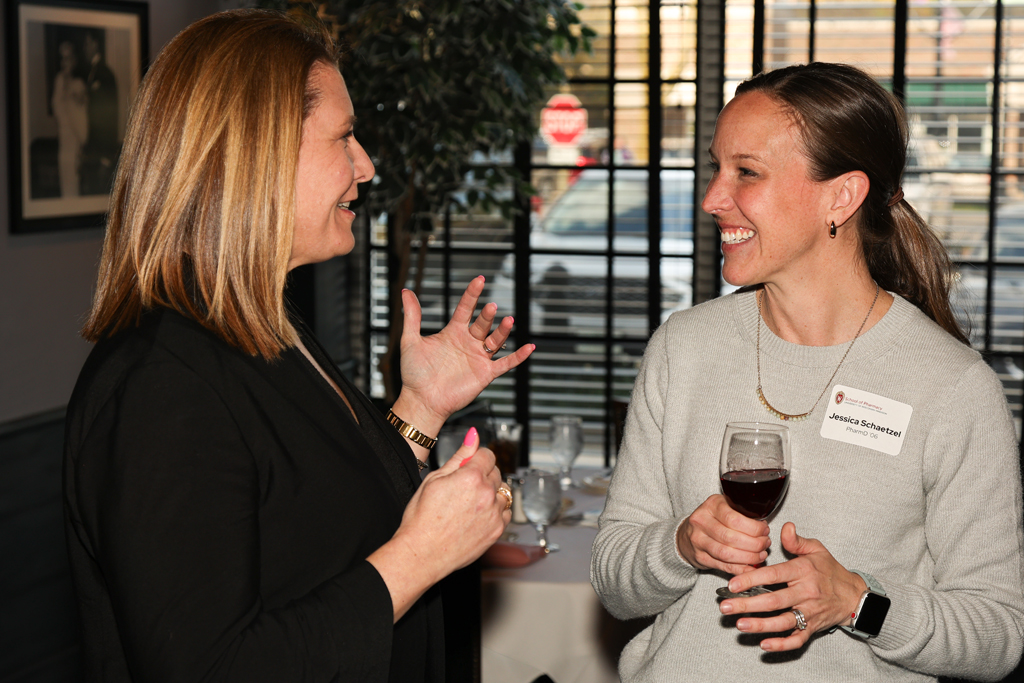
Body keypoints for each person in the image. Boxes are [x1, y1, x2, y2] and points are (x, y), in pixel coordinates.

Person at [63, 10, 533, 682]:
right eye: (344, 137)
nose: (366, 166)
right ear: (256, 152)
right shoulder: (162, 383)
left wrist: (421, 407)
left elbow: (321, 532)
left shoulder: (264, 328)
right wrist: (420, 557)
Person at [591, 62, 1024, 682]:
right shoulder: (682, 349)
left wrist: (858, 602)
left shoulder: (952, 387)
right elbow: (614, 583)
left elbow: (997, 635)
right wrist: (680, 545)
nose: (714, 198)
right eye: (716, 167)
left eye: (747, 172)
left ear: (841, 197)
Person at [80, 28, 118, 195]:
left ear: (96, 44)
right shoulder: (91, 72)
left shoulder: (105, 74)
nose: (85, 48)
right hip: (92, 149)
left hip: (102, 152)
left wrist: (106, 158)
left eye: (87, 43)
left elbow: (109, 117)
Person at [52, 40, 88, 197]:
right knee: (65, 177)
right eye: (62, 58)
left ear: (74, 60)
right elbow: (57, 108)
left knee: (74, 177)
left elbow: (81, 114)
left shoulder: (79, 84)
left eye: (68, 58)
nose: (65, 62)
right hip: (64, 138)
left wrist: (81, 141)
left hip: (75, 138)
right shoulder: (59, 81)